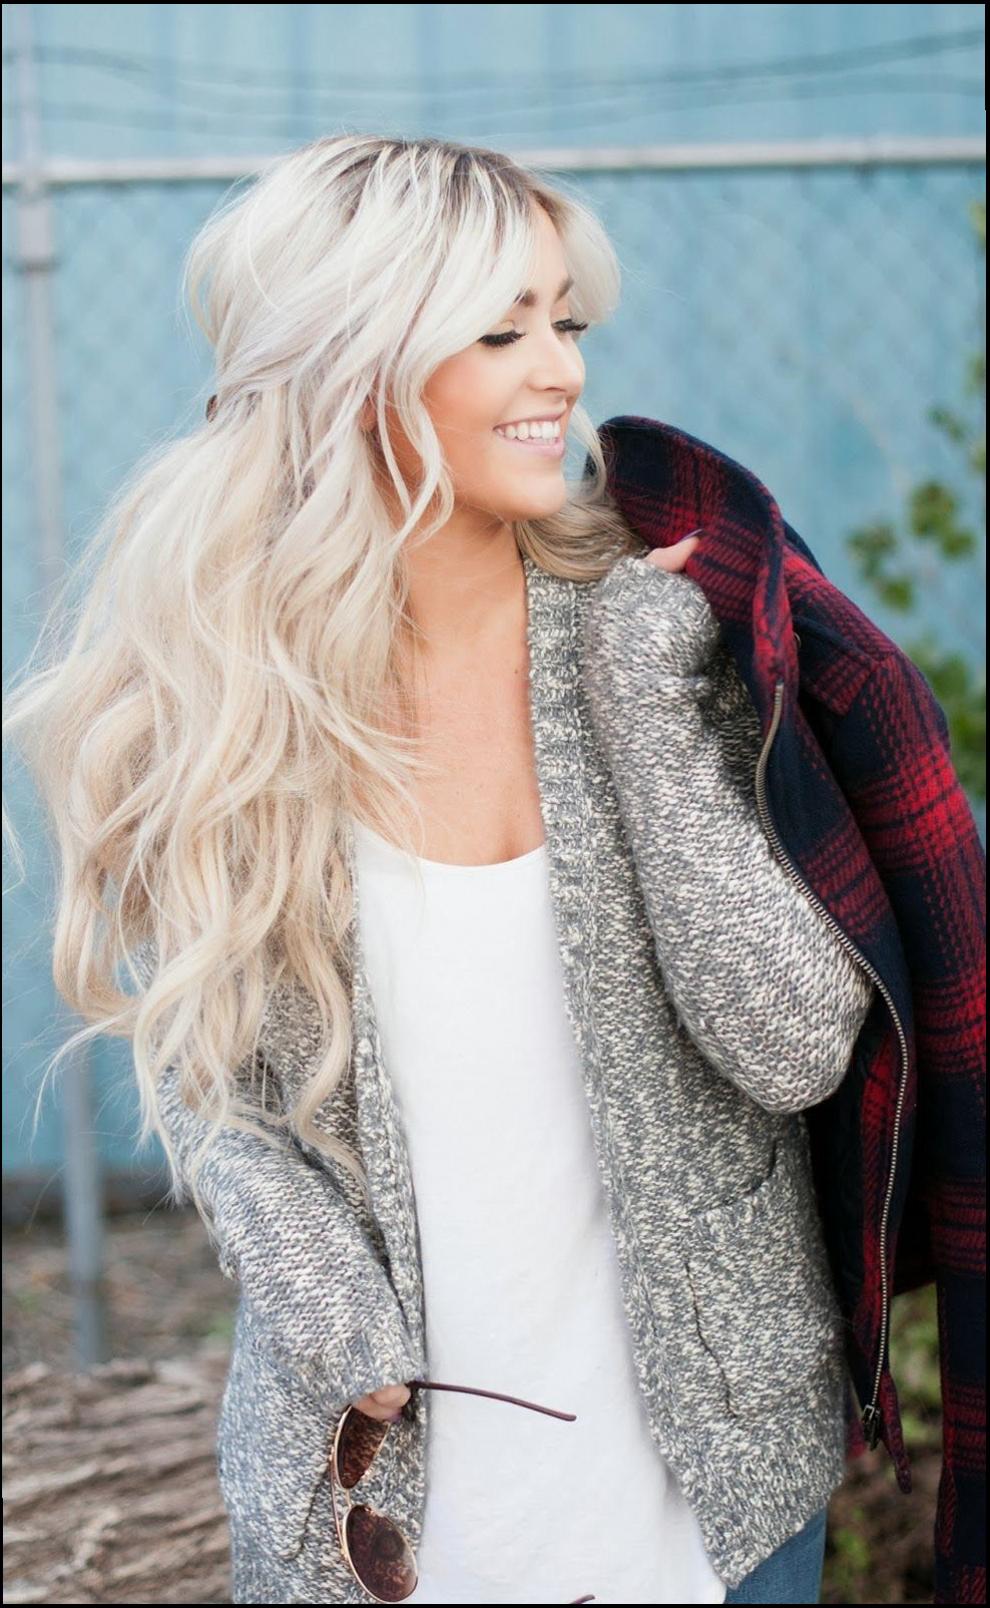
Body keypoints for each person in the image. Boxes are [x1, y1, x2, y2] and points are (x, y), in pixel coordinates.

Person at [8, 133, 924, 1605]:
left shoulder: (656, 629)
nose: (558, 369)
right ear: (348, 363)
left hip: (710, 1476)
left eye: (564, 319)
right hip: (392, 1495)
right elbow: (210, 1077)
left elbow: (796, 1044)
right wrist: (321, 1295)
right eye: (499, 329)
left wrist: (643, 720)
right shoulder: (220, 699)